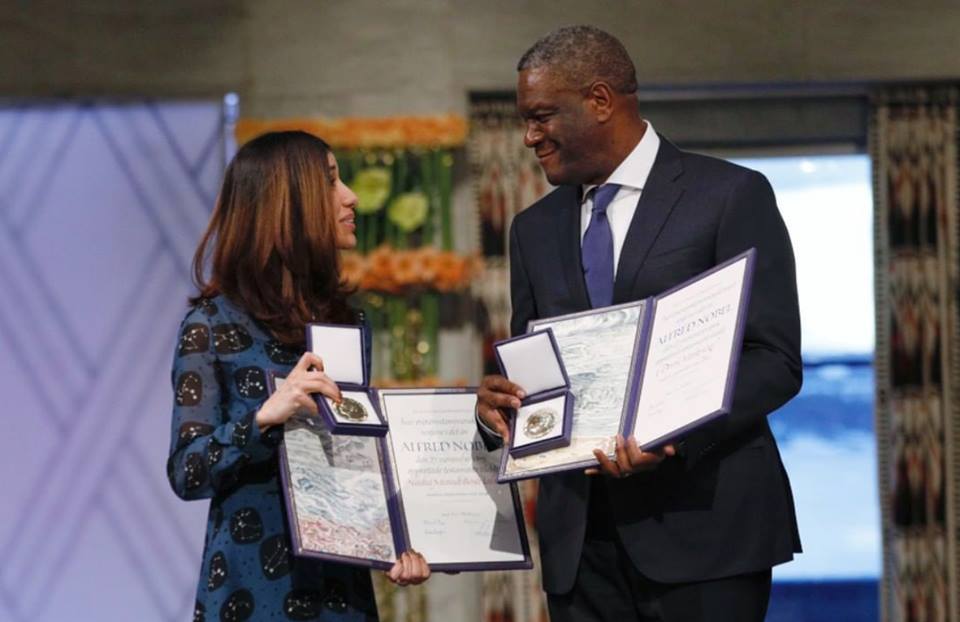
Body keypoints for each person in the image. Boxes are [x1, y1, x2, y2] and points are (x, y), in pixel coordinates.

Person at [477, 26, 802, 622]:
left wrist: (673, 436)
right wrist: (499, 401)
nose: (529, 137)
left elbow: (773, 359)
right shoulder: (532, 229)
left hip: (705, 533)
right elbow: (536, 363)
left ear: (600, 101)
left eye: (542, 116)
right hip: (579, 544)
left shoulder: (730, 195)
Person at [168, 131, 429, 622]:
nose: (350, 196)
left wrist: (394, 538)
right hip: (251, 591)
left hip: (340, 591)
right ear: (287, 203)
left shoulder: (348, 322)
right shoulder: (211, 325)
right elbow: (187, 471)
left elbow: (351, 457)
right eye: (331, 182)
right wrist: (265, 419)